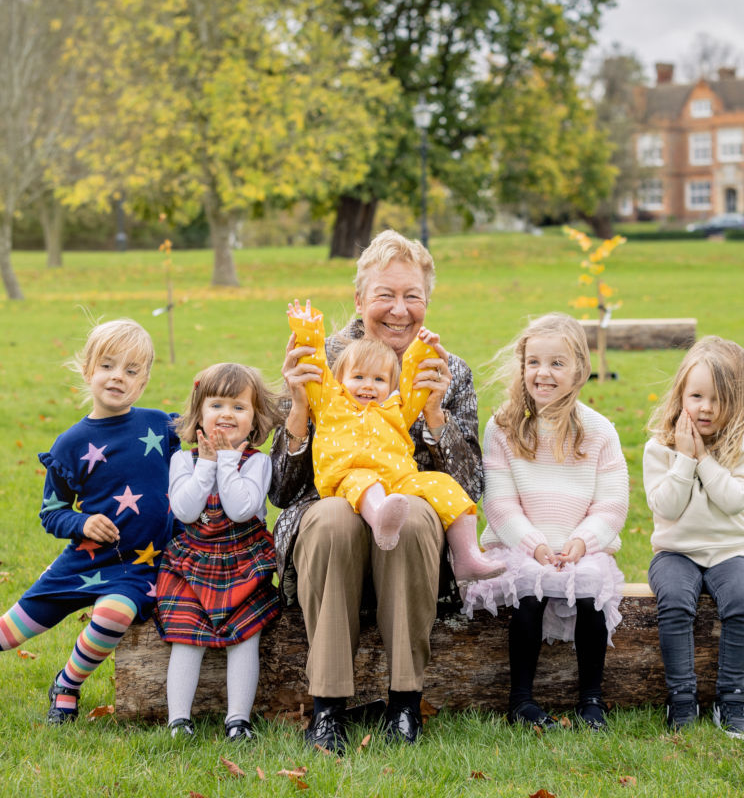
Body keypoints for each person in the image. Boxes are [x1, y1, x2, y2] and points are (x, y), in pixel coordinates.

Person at [269, 229, 483, 752]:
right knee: (338, 518)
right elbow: (280, 488)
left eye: (412, 296)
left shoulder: (447, 370)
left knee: (407, 513)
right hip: (330, 519)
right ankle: (327, 711)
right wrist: (297, 408)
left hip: (409, 529)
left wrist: (435, 415)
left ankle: (405, 704)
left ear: (427, 302)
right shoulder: (319, 359)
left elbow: (474, 485)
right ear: (360, 298)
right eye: (385, 295)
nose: (398, 310)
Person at [0, 319, 179, 724]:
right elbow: (51, 512)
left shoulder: (161, 427)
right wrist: (82, 524)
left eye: (131, 371)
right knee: (8, 634)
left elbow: (206, 434)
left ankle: (67, 684)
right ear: (88, 370)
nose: (118, 377)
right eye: (108, 366)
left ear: (144, 380)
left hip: (137, 567)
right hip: (84, 561)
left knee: (113, 616)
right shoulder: (71, 444)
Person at [461, 313, 629, 732]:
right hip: (518, 546)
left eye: (557, 363)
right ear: (523, 367)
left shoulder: (599, 431)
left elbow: (612, 503)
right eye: (534, 362)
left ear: (579, 370)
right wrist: (534, 544)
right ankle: (521, 700)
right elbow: (499, 503)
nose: (544, 373)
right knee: (529, 589)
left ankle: (591, 698)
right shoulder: (504, 427)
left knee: (590, 589)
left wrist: (581, 542)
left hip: (578, 547)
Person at [285, 299, 502, 579]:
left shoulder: (396, 410)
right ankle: (381, 521)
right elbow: (313, 361)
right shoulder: (330, 403)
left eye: (378, 380)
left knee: (443, 485)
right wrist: (306, 327)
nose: (367, 385)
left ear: (390, 386)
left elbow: (414, 379)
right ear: (339, 380)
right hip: (347, 476)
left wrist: (424, 345)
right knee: (364, 481)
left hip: (398, 481)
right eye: (358, 377)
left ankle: (467, 556)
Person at [155, 363, 283, 741]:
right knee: (185, 635)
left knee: (245, 637)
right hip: (192, 563)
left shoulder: (257, 462)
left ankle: (237, 720)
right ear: (199, 413)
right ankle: (179, 719)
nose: (227, 414)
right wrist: (207, 464)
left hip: (243, 561)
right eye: (217, 405)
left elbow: (241, 509)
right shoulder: (183, 460)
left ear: (254, 419)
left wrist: (227, 461)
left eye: (239, 407)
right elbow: (185, 510)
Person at [644, 336, 744, 738]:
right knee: (675, 603)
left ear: (735, 404)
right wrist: (682, 458)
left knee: (743, 602)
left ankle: (731, 699)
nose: (706, 408)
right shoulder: (658, 449)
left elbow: (733, 500)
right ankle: (682, 699)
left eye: (717, 399)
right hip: (676, 552)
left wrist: (704, 459)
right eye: (696, 396)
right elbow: (667, 508)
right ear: (681, 396)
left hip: (730, 551)